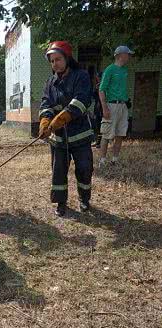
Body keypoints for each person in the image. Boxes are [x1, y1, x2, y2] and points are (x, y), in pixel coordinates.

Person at [38, 41, 94, 217]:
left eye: (58, 59)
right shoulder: (50, 82)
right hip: (59, 138)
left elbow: (80, 102)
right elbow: (45, 103)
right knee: (58, 171)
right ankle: (61, 203)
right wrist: (45, 122)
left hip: (80, 134)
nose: (55, 64)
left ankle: (84, 199)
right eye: (52, 61)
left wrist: (57, 122)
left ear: (67, 58)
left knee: (84, 169)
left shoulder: (81, 76)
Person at [98, 45, 134, 167]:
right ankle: (102, 160)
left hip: (123, 106)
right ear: (120, 55)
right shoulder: (110, 69)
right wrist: (104, 108)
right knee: (107, 134)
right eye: (127, 54)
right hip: (111, 105)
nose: (129, 56)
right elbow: (101, 89)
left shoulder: (124, 70)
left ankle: (115, 160)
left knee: (120, 133)